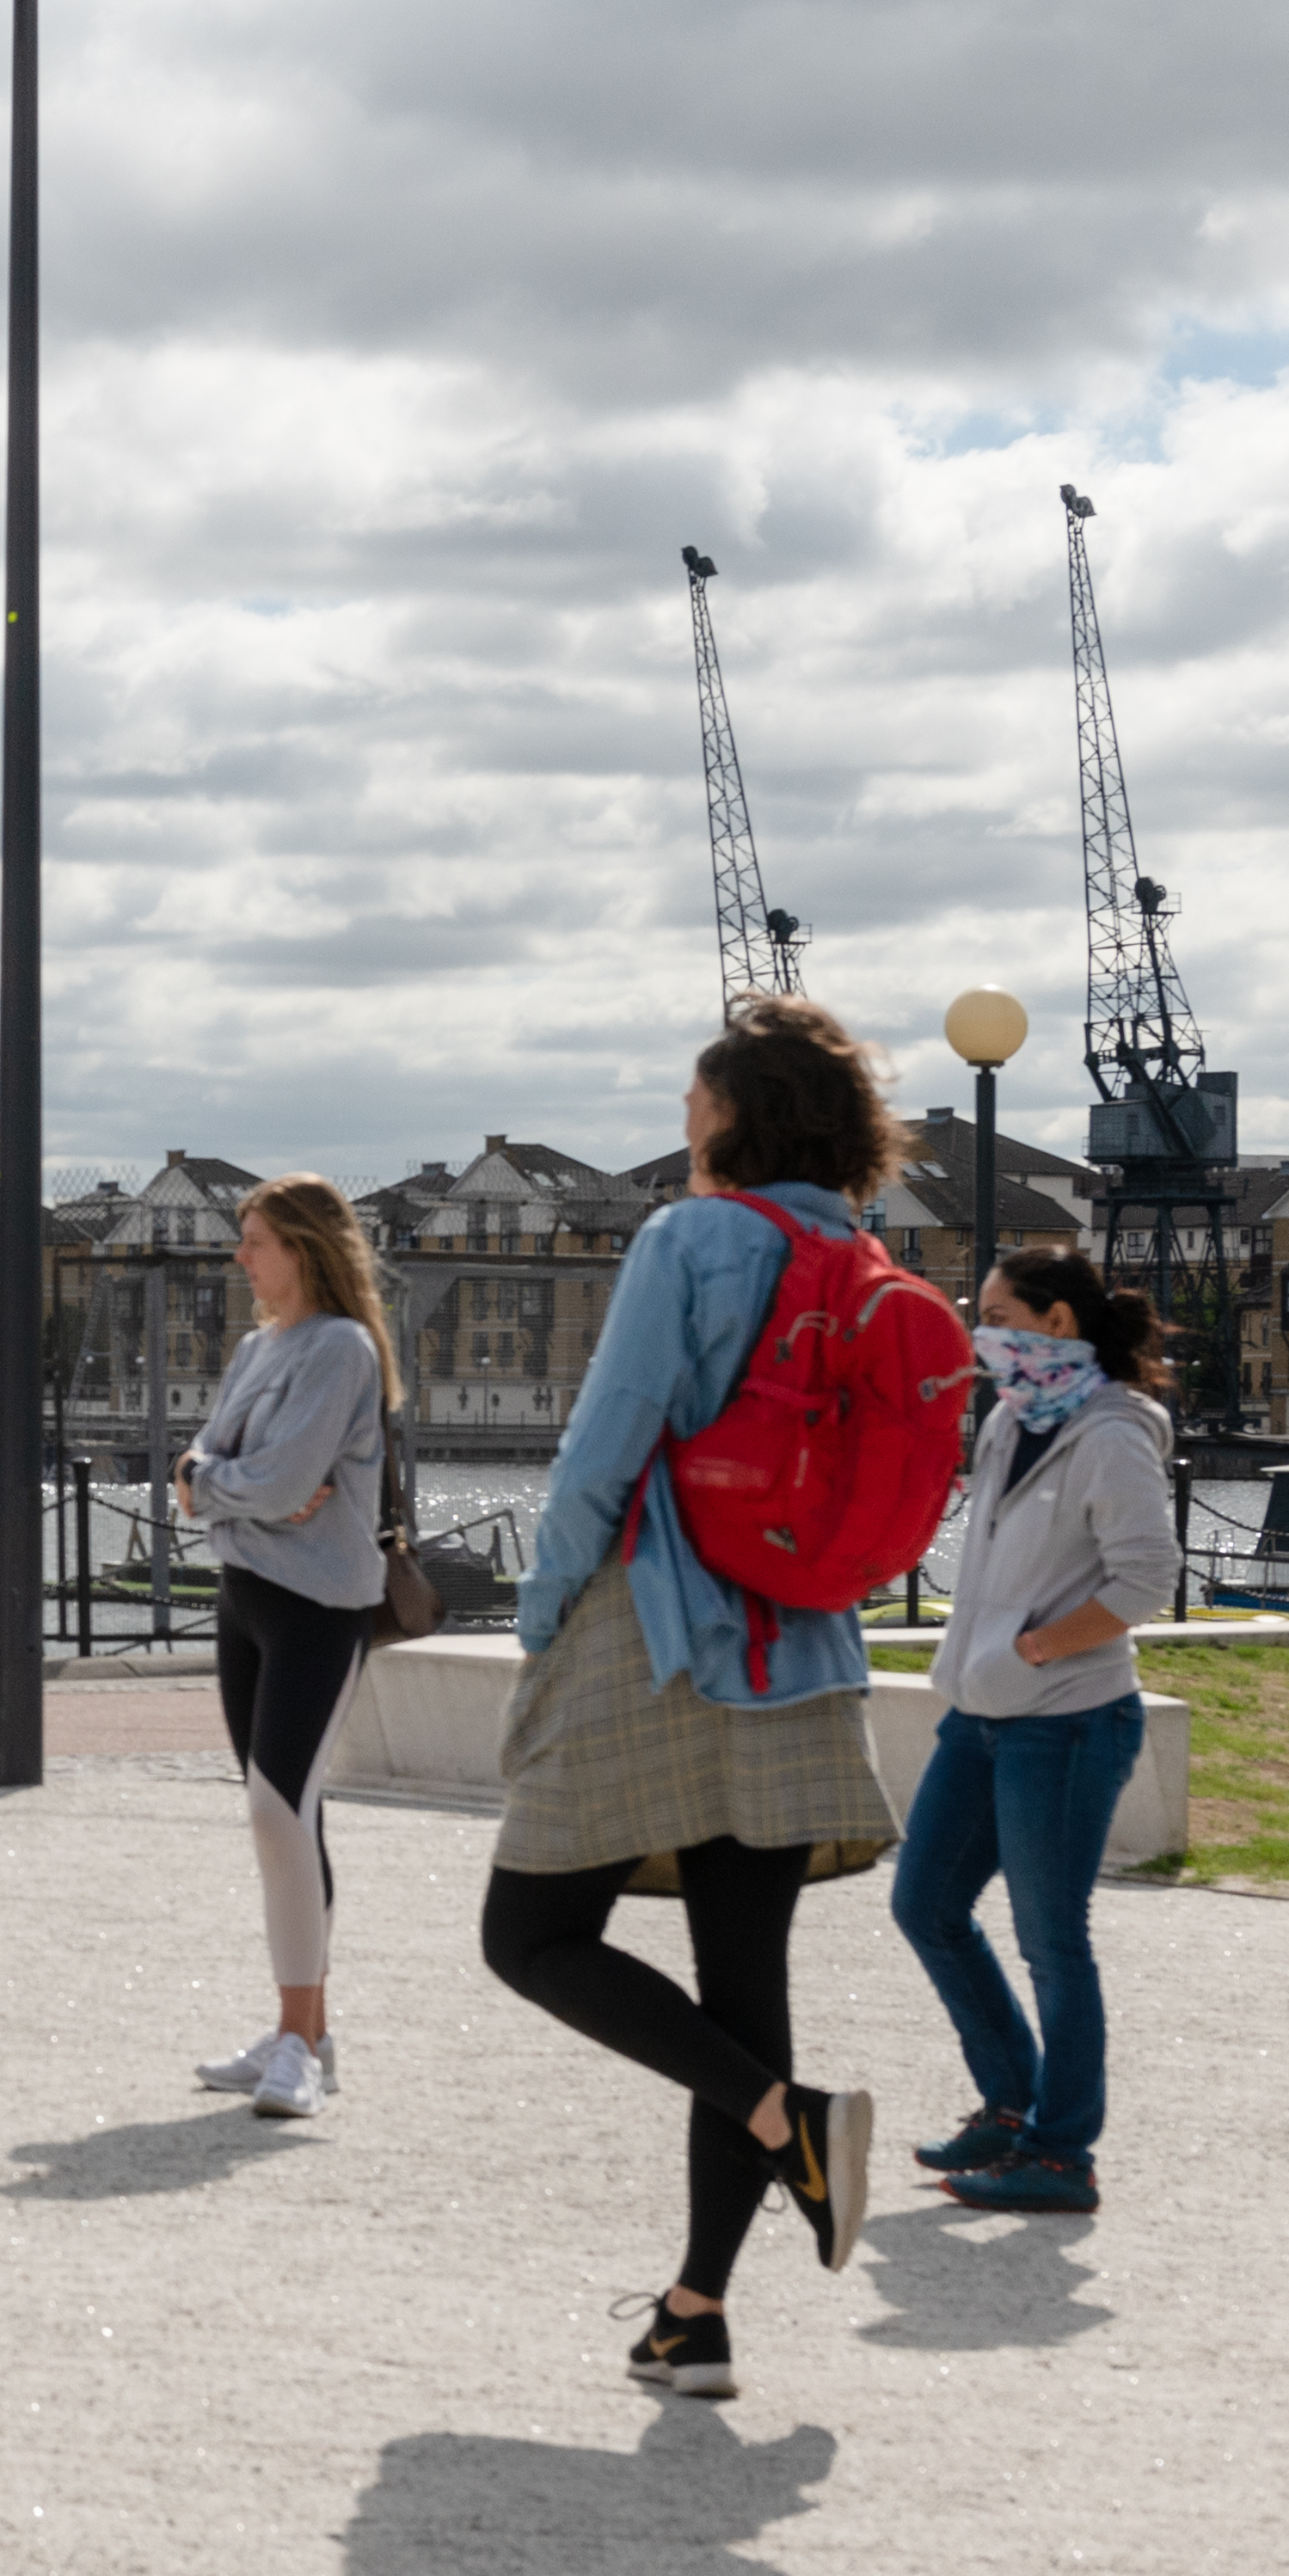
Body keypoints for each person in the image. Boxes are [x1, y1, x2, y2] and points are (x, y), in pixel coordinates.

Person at [478, 995, 903, 2401]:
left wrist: (538, 1616)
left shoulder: (687, 1237)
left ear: (733, 1112)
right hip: (801, 1644)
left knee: (528, 1931)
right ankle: (693, 2313)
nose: (678, 1117)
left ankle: (788, 2122)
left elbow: (603, 1446)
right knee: (742, 1988)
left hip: (656, 1636)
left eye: (689, 1096)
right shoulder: (856, 1252)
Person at [889, 1248, 1179, 2217]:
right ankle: (1011, 2106)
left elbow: (1143, 1581)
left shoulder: (1114, 1432)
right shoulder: (1012, 1419)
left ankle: (1062, 2153)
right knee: (924, 1903)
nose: (984, 1333)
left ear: (1057, 1323)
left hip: (1066, 1722)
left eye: (998, 1313)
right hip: (979, 1716)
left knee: (1053, 1941)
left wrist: (1037, 1650)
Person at [175, 1173, 400, 2122]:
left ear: (302, 1248)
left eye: (255, 1239)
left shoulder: (341, 1349)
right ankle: (301, 2028)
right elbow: (206, 1464)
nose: (241, 1257)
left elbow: (275, 1481)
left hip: (318, 1607)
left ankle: (303, 2045)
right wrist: (218, 1479)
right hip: (245, 1598)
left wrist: (217, 1482)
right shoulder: (258, 1346)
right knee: (284, 1820)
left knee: (279, 1812)